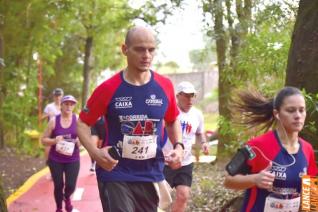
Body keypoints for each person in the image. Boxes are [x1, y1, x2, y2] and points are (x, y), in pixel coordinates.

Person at [77, 25, 184, 212]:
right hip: (115, 173)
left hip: (150, 175)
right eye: (140, 49)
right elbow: (82, 123)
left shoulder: (164, 86)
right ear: (125, 50)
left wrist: (179, 147)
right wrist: (95, 153)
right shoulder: (108, 88)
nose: (147, 55)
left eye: (151, 50)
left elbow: (172, 119)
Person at [224, 86, 318, 212]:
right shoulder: (256, 146)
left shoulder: (307, 149)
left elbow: (310, 199)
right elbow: (228, 180)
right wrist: (254, 179)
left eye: (302, 110)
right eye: (291, 110)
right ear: (276, 114)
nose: (298, 116)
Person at [162, 81, 209, 212]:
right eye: (186, 96)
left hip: (185, 162)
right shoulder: (168, 111)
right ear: (178, 96)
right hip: (165, 162)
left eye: (192, 96)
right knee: (159, 199)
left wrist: (204, 143)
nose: (190, 99)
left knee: (183, 196)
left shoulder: (197, 114)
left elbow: (200, 133)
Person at [41, 95, 80, 212]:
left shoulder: (77, 119)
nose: (69, 106)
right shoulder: (54, 121)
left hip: (73, 159)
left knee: (71, 185)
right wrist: (54, 140)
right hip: (56, 159)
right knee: (58, 186)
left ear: (74, 106)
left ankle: (67, 197)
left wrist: (80, 141)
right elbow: (43, 140)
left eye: (71, 104)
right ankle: (59, 208)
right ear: (61, 105)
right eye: (66, 104)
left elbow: (85, 138)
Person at [42, 88, 64, 167]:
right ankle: (48, 162)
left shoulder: (64, 105)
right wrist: (48, 114)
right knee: (48, 146)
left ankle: (62, 166)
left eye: (59, 96)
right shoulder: (49, 106)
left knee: (61, 149)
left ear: (62, 96)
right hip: (51, 129)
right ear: (53, 97)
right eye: (56, 96)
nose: (58, 98)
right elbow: (42, 117)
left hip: (62, 129)